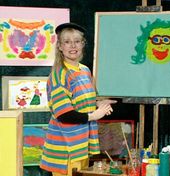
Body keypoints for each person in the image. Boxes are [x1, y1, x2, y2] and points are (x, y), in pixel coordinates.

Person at [40, 22, 117, 176]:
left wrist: (98, 102)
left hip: (81, 144)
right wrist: (95, 115)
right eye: (67, 42)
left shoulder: (84, 70)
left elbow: (82, 98)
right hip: (66, 148)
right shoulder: (59, 75)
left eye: (77, 41)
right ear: (60, 46)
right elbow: (64, 114)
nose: (72, 45)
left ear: (83, 44)